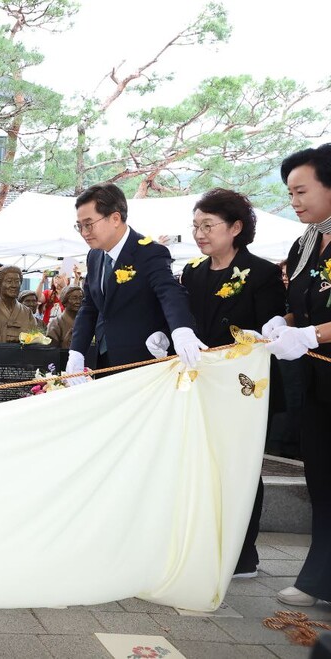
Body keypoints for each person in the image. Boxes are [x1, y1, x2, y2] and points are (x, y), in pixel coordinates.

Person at [146, 189, 285, 578]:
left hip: (243, 387)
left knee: (239, 466)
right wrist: (164, 335)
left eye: (208, 225)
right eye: (195, 226)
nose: (199, 233)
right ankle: (200, 541)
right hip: (200, 382)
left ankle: (243, 554)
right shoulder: (193, 271)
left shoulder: (262, 272)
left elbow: (269, 330)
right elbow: (184, 317)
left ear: (236, 227)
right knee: (197, 462)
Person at [260, 144, 331, 607]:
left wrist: (312, 335)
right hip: (315, 382)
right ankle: (319, 578)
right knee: (321, 478)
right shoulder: (305, 241)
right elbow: (297, 305)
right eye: (289, 192)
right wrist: (279, 326)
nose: (295, 201)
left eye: (302, 190)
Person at [66, 183, 200, 381]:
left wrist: (182, 329)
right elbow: (90, 307)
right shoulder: (94, 256)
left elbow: (169, 292)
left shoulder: (148, 252)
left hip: (142, 362)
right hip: (103, 362)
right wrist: (77, 351)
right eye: (80, 226)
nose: (84, 232)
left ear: (115, 218)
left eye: (89, 224)